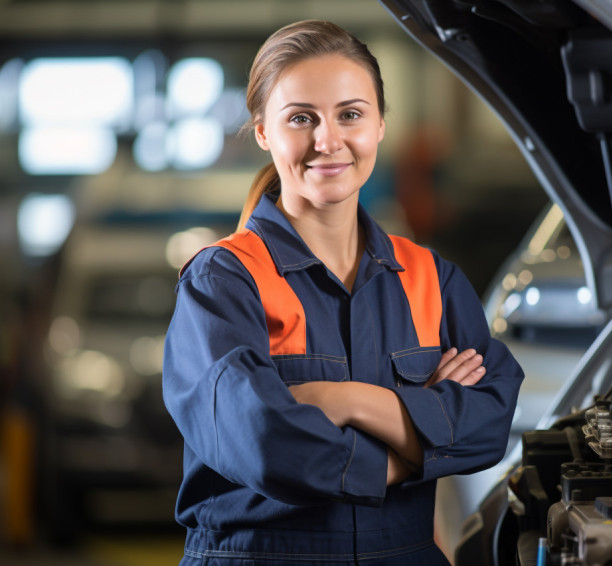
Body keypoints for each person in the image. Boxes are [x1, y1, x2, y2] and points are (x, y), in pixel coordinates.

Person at [162, 20, 524, 566]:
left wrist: (347, 400)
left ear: (379, 124)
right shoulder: (224, 282)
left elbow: (490, 424)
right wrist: (414, 447)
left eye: (350, 114)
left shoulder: (431, 279)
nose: (328, 141)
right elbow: (264, 443)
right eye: (300, 119)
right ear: (263, 131)